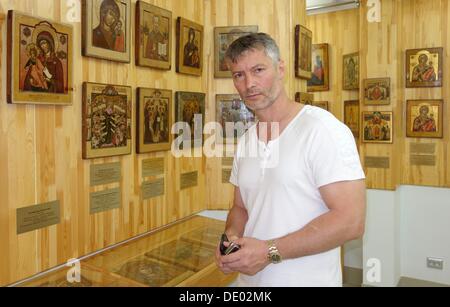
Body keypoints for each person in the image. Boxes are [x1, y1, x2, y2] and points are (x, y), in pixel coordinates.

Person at [216, 33, 366, 287]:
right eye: (238, 75)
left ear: (280, 68)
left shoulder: (322, 130)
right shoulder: (247, 140)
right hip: (251, 282)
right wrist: (230, 238)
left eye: (258, 70)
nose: (249, 83)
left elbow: (351, 221)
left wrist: (268, 252)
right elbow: (241, 208)